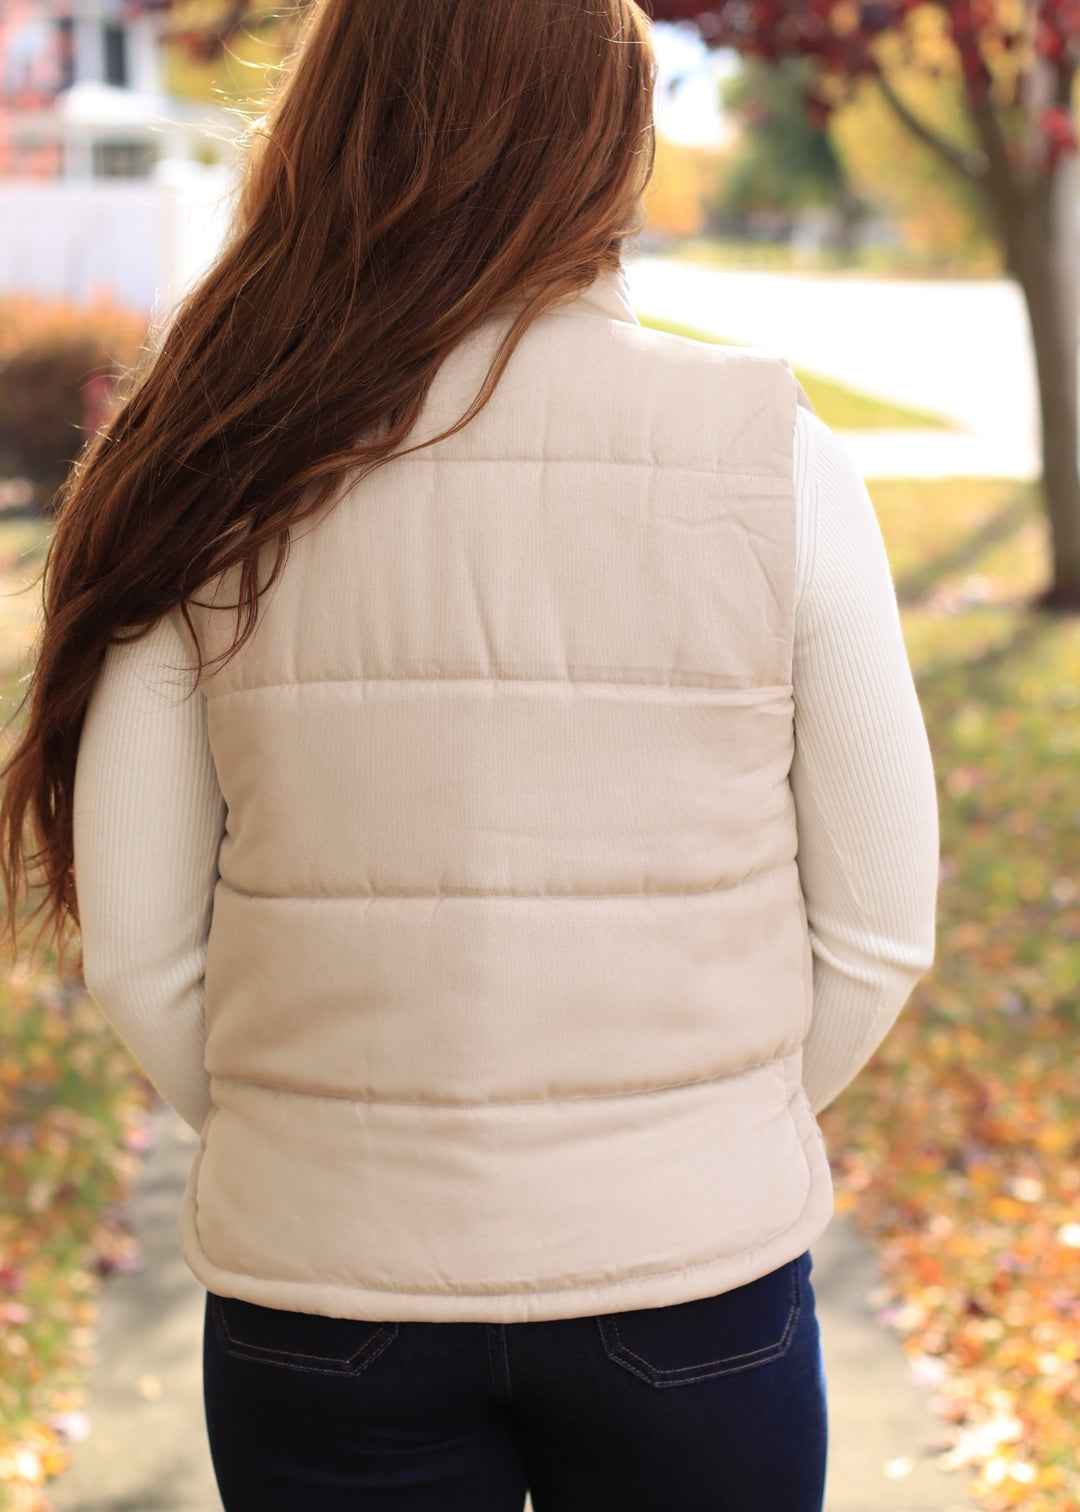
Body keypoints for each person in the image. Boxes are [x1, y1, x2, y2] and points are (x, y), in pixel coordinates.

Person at [0, 1, 939, 1507]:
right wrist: (686, 1133)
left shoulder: (216, 449)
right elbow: (883, 934)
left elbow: (138, 957)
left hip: (321, 1293)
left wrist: (311, 1135)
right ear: (614, 143)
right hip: (692, 1288)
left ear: (339, 121)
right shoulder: (775, 454)